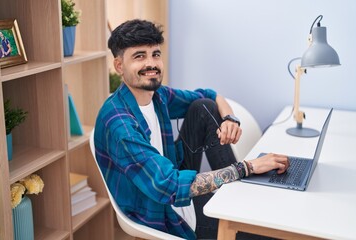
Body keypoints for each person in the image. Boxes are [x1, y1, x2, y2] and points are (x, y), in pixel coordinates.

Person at [94, 19, 290, 240]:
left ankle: (239, 198)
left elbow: (210, 95)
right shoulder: (120, 124)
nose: (151, 63)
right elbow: (171, 186)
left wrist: (230, 119)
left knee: (202, 107)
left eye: (155, 54)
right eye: (139, 56)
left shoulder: (158, 96)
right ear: (119, 66)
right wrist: (247, 167)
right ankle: (240, 202)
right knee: (266, 234)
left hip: (173, 180)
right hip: (161, 211)